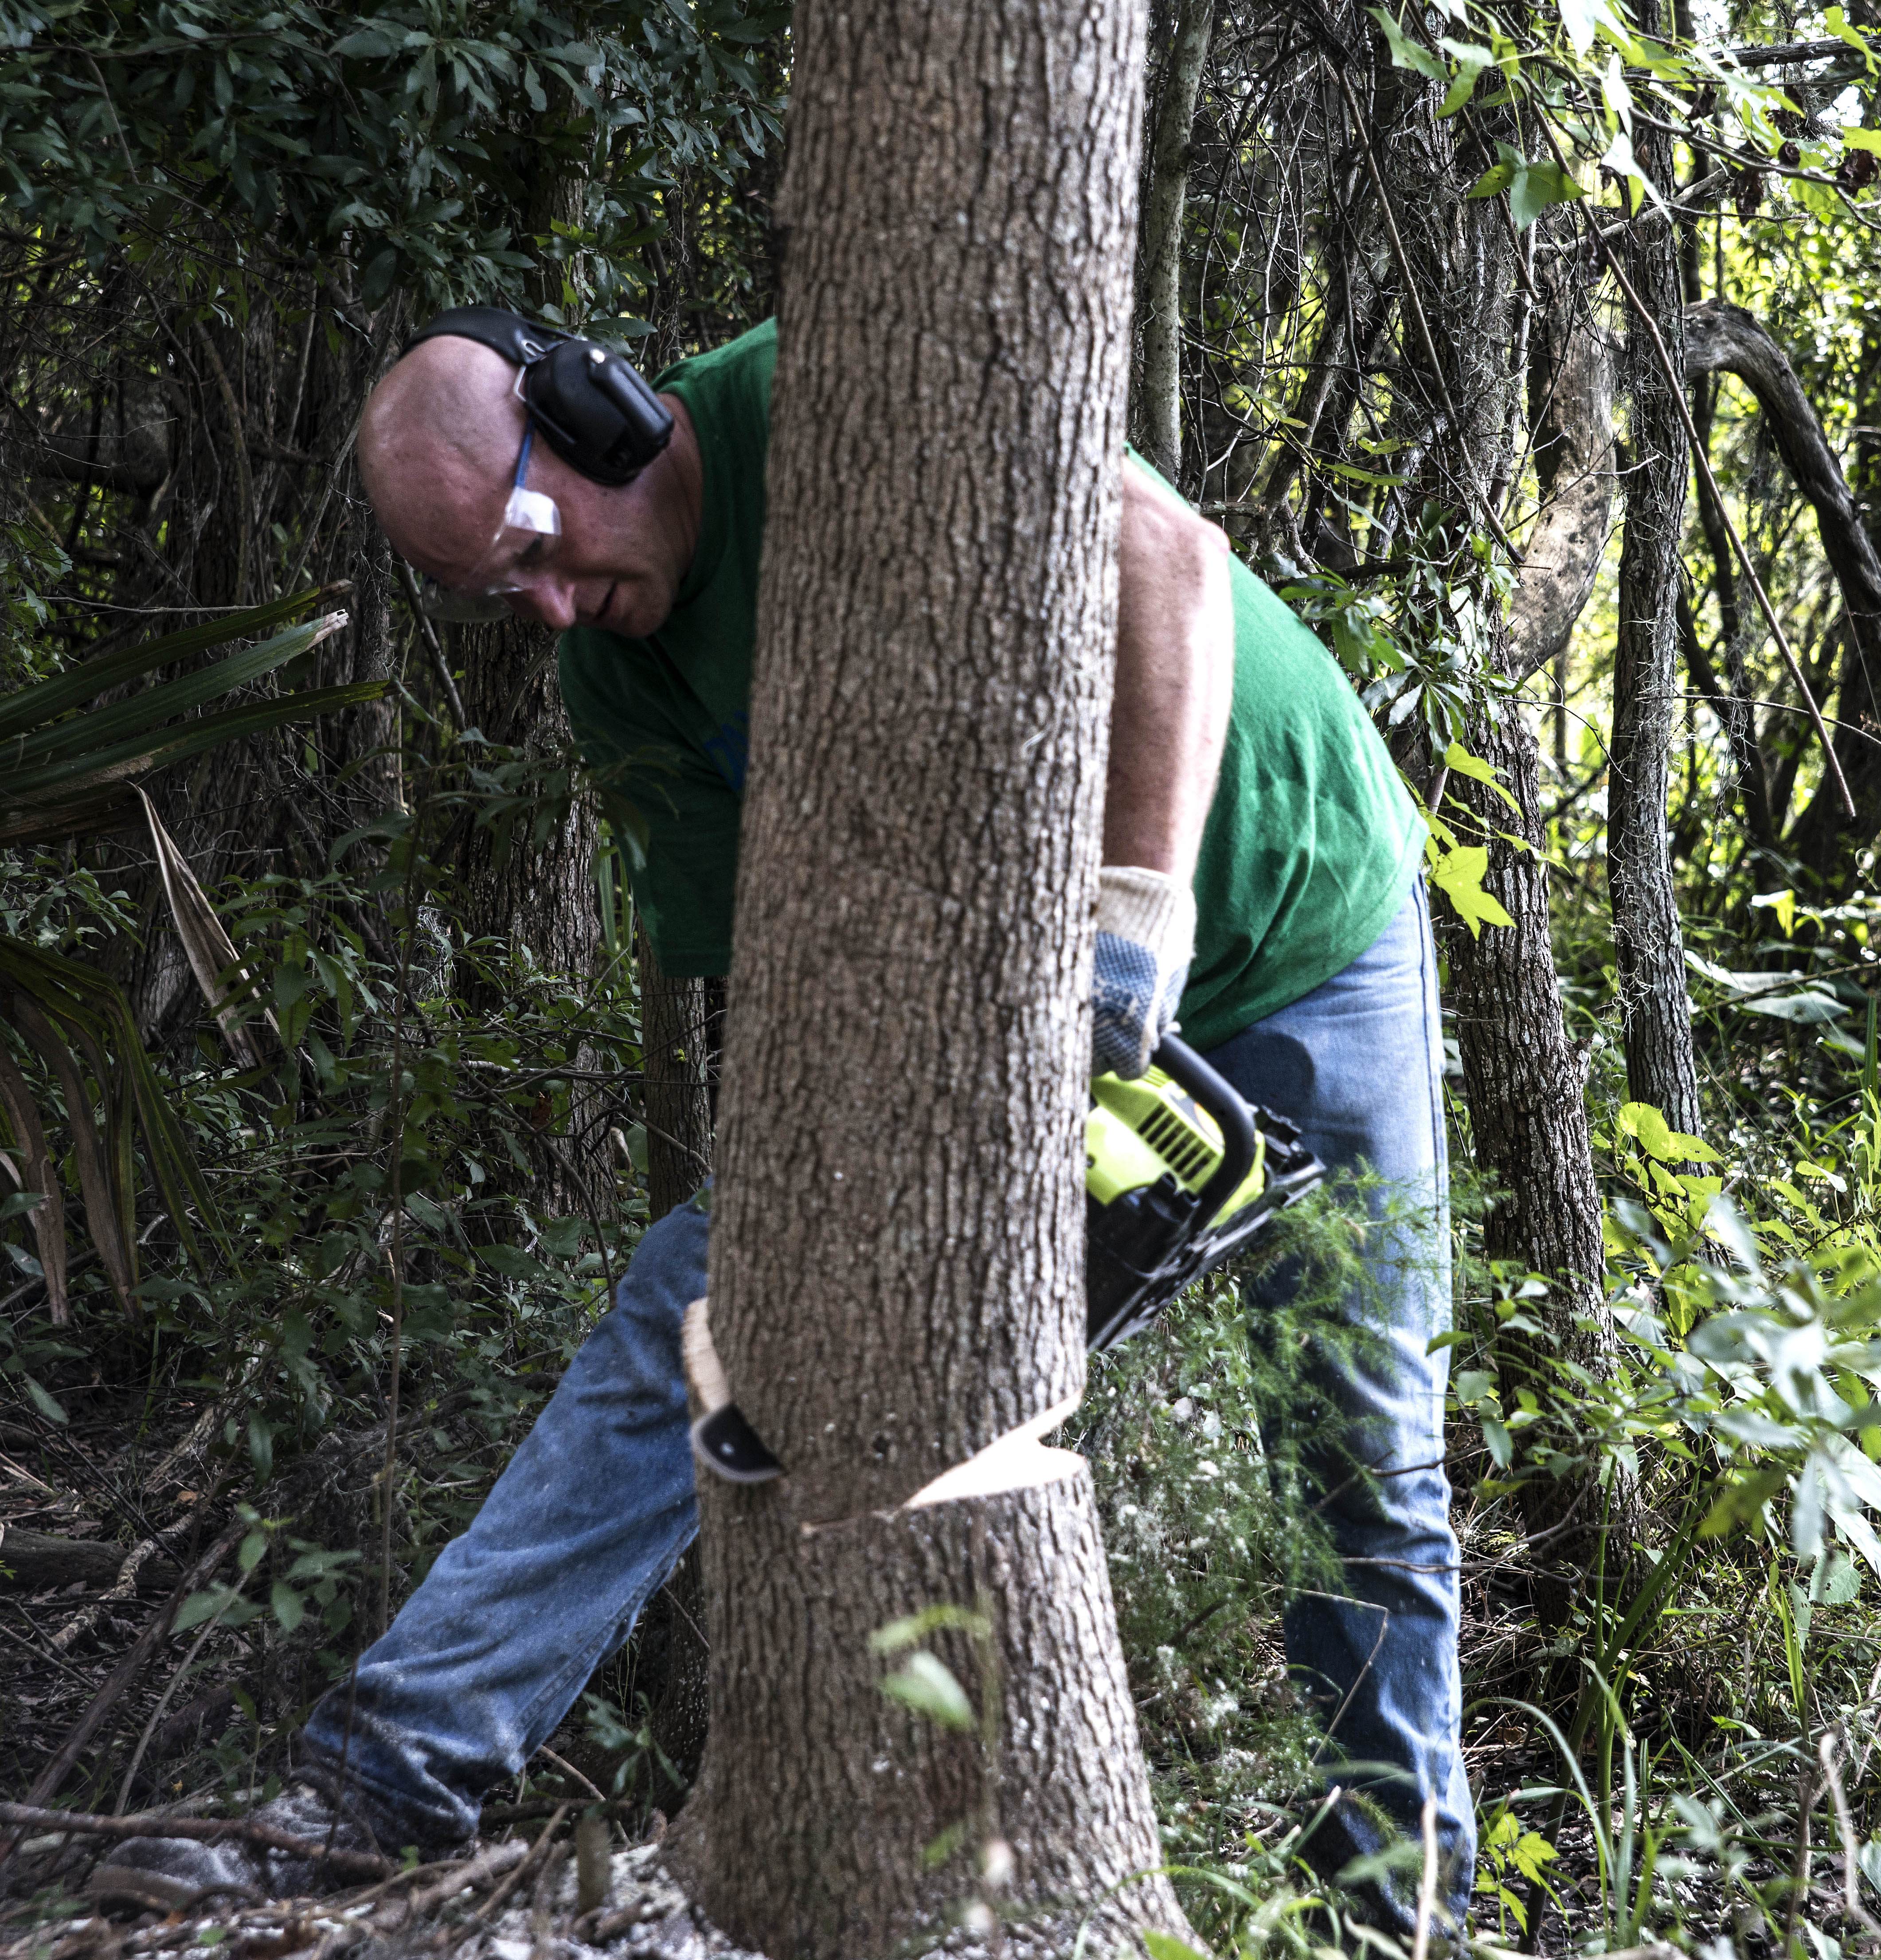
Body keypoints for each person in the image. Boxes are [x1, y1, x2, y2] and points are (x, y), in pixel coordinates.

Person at [103, 314, 1474, 1935]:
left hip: (1300, 924)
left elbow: (1163, 555)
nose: (544, 605)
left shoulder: (838, 387)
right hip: (1012, 1029)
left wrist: (1133, 921)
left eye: (535, 545)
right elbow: (778, 977)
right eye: (498, 595)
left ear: (600, 417)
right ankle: (373, 1781)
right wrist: (790, 1285)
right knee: (682, 1310)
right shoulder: (621, 685)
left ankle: (1394, 1917)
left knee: (1362, 1461)